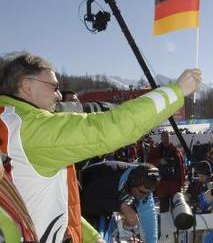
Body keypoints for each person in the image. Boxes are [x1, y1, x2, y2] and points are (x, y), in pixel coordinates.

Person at [0, 52, 201, 243]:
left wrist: (93, 238)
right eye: (53, 87)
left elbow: (52, 208)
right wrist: (176, 91)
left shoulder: (10, 123)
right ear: (27, 85)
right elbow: (109, 128)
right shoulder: (28, 128)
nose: (59, 95)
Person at [80, 162, 159, 242]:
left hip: (99, 205)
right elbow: (87, 204)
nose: (144, 196)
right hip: (80, 196)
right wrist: (121, 206)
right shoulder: (110, 175)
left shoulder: (143, 185)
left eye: (148, 193)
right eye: (142, 192)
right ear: (133, 181)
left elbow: (148, 214)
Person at [146, 131, 186, 213]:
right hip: (162, 184)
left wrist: (182, 182)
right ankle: (164, 224)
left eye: (167, 137)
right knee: (164, 206)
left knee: (176, 206)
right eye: (164, 136)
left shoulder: (176, 151)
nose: (166, 138)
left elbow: (181, 167)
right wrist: (159, 161)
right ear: (161, 138)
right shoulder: (155, 150)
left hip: (174, 183)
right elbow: (148, 164)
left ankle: (175, 224)